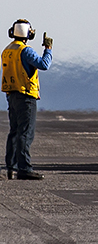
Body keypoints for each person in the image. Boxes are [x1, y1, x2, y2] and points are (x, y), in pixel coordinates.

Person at [2, 20, 52, 180]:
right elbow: (44, 65)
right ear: (28, 33)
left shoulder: (7, 50)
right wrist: (48, 49)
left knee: (14, 132)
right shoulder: (26, 51)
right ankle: (24, 168)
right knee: (25, 132)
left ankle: (11, 167)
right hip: (26, 96)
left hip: (11, 95)